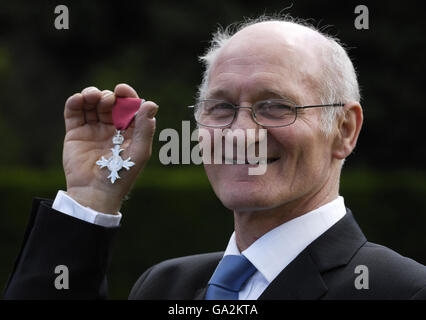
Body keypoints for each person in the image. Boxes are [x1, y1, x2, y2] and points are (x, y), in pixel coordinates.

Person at [4, 16, 426, 300]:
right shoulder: (165, 287)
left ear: (345, 130)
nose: (241, 134)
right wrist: (91, 199)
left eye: (277, 106)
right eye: (221, 108)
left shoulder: (402, 290)